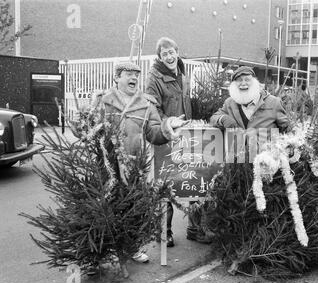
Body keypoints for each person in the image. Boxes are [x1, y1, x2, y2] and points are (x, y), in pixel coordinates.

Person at [90, 61, 189, 262]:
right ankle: (99, 254)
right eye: (128, 74)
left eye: (136, 74)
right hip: (107, 165)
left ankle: (131, 248)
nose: (134, 78)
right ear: (117, 77)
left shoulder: (146, 104)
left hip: (134, 166)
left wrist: (169, 127)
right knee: (104, 208)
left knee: (131, 207)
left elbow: (154, 132)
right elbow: (89, 128)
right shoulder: (104, 101)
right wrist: (92, 113)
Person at [145, 37, 210, 245]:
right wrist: (168, 124)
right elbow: (152, 108)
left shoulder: (182, 74)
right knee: (166, 185)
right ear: (160, 57)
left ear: (177, 51)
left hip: (188, 136)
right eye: (164, 54)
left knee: (194, 181)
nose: (169, 56)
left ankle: (194, 228)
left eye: (171, 52)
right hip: (167, 136)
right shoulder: (154, 77)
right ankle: (165, 232)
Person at [210, 66, 289, 132]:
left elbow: (287, 129)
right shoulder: (229, 103)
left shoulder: (274, 103)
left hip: (265, 150)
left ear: (255, 82)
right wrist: (223, 118)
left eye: (247, 80)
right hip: (237, 150)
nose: (243, 83)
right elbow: (214, 118)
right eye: (239, 80)